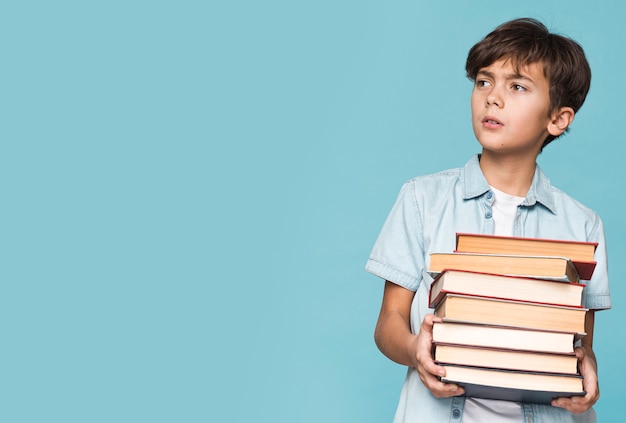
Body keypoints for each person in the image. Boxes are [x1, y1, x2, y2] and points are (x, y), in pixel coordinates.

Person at [365, 17, 611, 422]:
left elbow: (580, 343)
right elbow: (388, 323)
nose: (492, 98)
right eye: (483, 81)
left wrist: (588, 371)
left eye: (517, 86)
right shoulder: (421, 200)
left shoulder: (583, 225)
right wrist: (415, 351)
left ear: (558, 119)